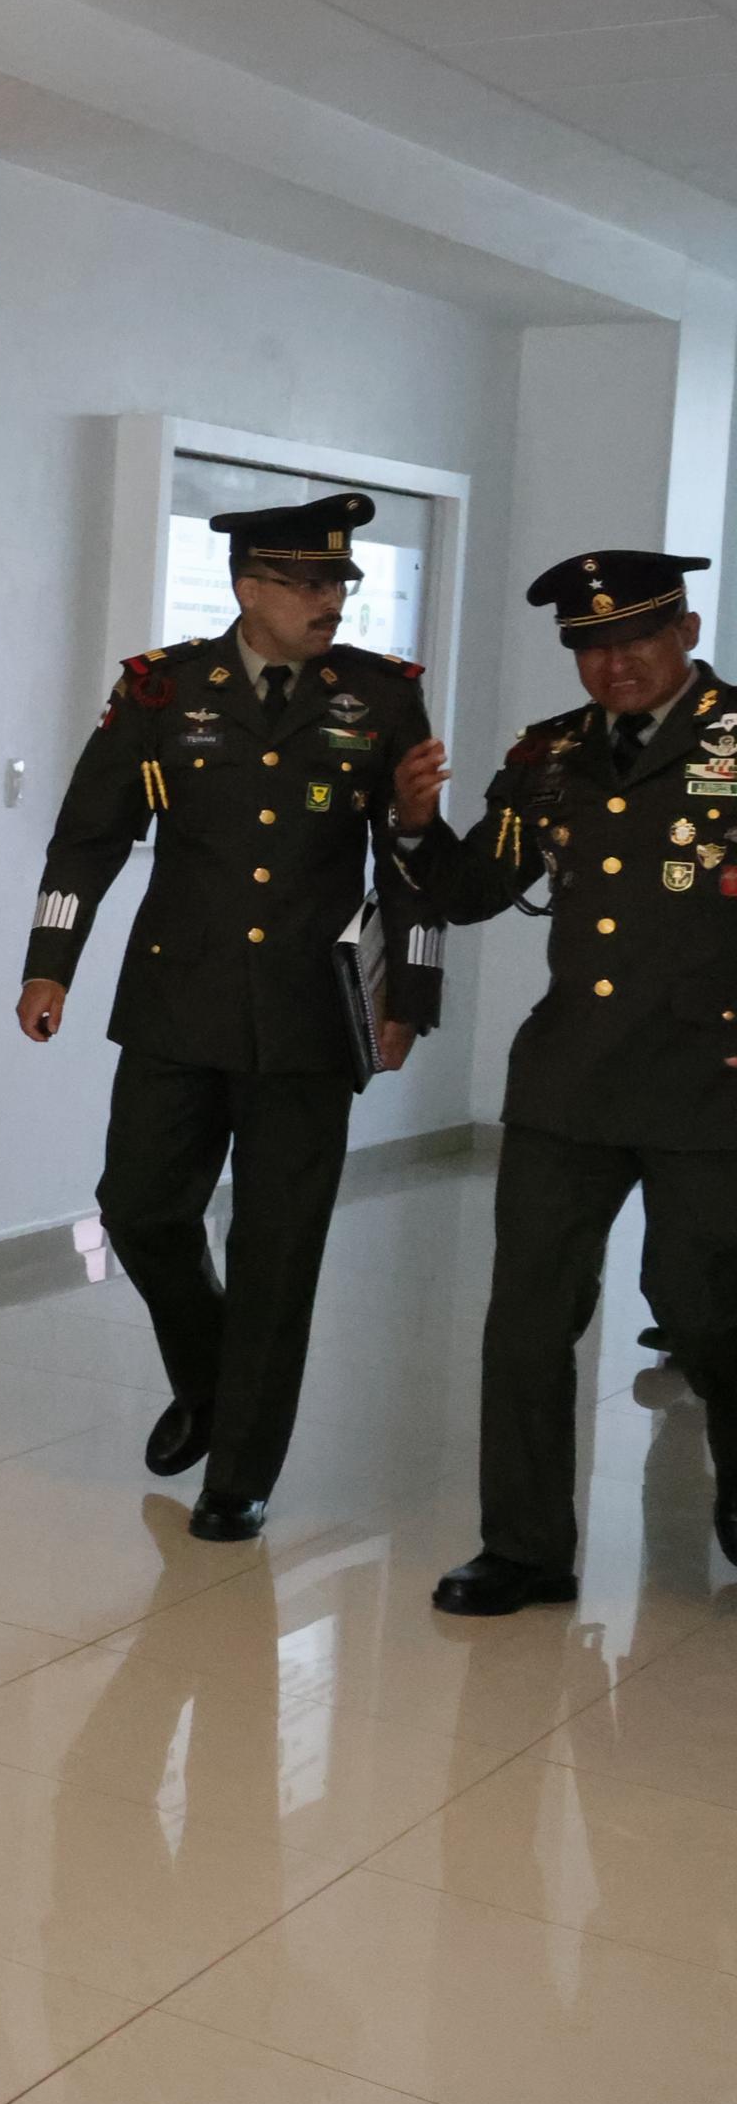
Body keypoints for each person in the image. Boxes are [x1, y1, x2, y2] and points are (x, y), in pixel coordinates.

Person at [17, 496, 447, 1540]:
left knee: (277, 1249)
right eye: (308, 584)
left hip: (310, 1018)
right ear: (248, 588)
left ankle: (239, 1474)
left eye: (339, 583)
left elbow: (407, 858)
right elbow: (87, 835)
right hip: (175, 1002)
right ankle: (209, 1376)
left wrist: (411, 996)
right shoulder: (160, 690)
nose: (330, 601)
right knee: (137, 1208)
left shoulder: (381, 696)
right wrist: (49, 964)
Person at [407, 550, 737, 1608]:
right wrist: (412, 824)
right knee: (527, 1317)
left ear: (686, 632)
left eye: (635, 639)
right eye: (590, 647)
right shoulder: (548, 756)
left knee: (708, 1310)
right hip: (570, 1078)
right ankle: (524, 1547)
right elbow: (468, 890)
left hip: (711, 1080)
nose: (613, 664)